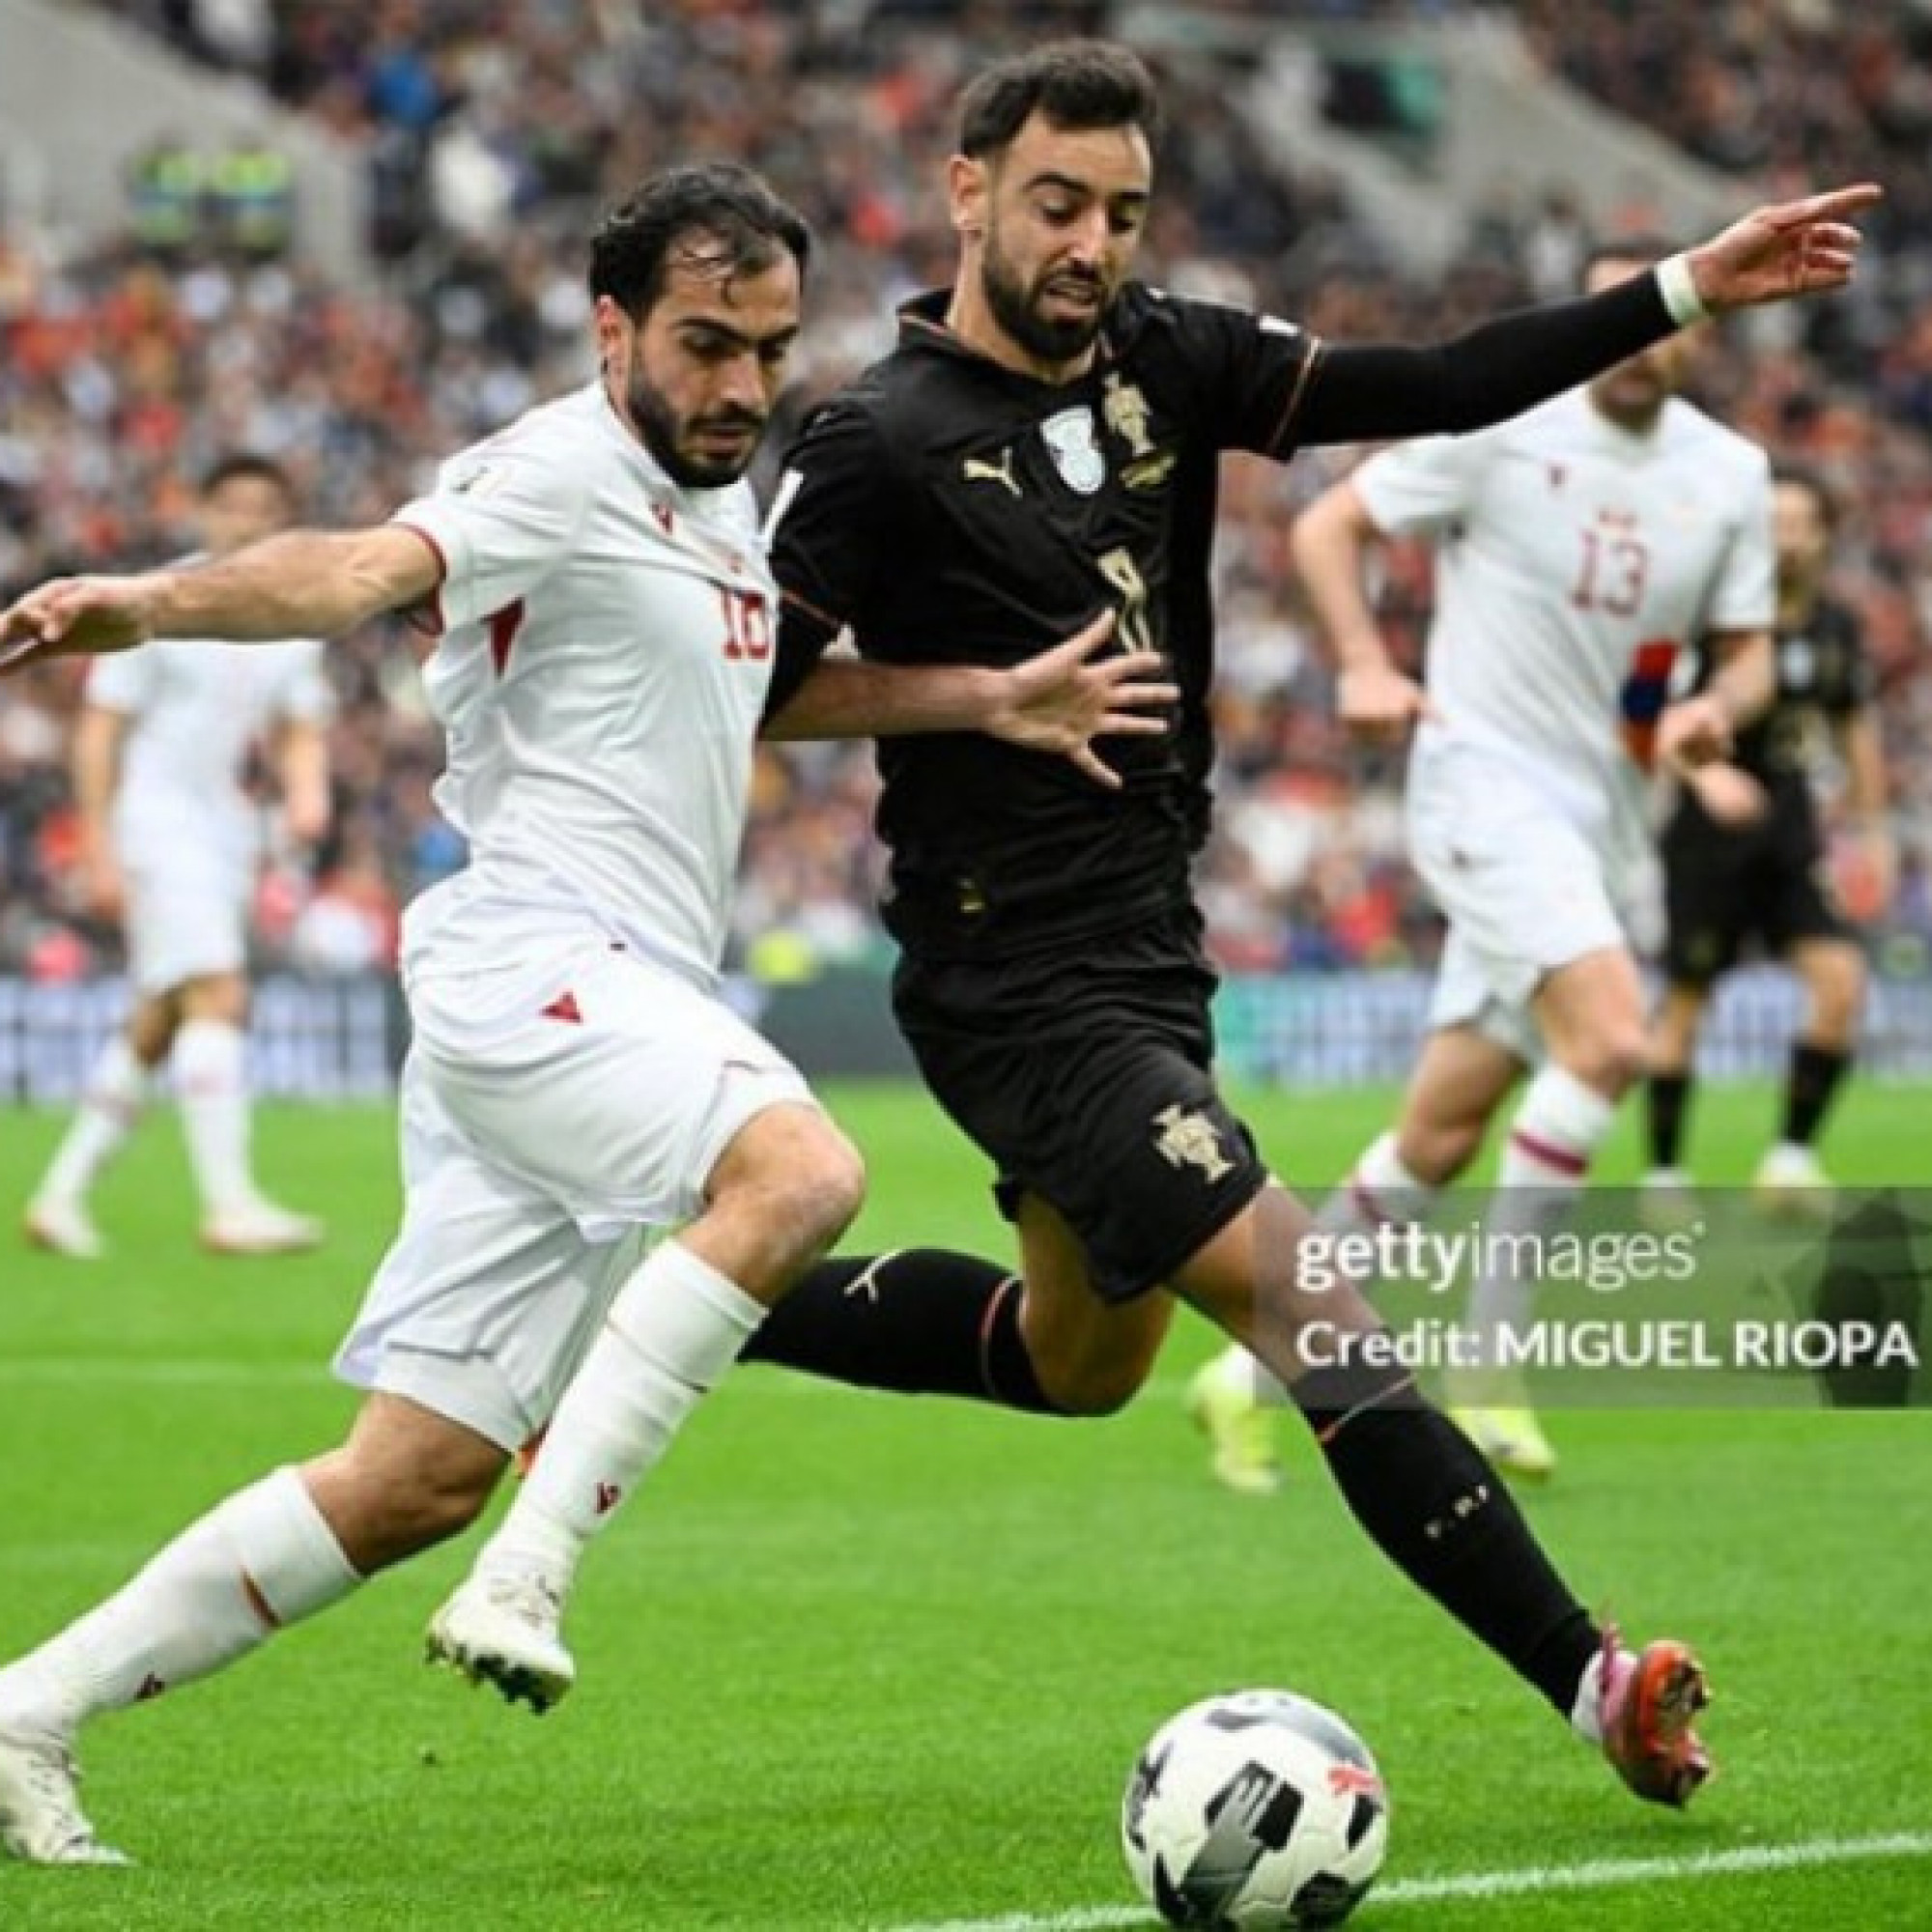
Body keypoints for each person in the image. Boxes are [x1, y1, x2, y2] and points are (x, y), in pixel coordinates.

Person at [456, 43, 1873, 1808]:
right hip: (1011, 978)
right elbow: (744, 695)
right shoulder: (873, 444)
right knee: (1317, 1310)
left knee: (1080, 1364)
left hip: (1146, 948)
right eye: (1059, 204)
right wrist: (987, 700)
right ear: (967, 192)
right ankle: (1592, 1677)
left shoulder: (1167, 359)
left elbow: (1432, 384)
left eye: (1122, 212)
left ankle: (683, 1290)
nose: (1093, 244)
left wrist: (1681, 286)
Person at [0, 161, 1163, 1867]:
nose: (742, 388)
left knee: (407, 1477)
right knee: (797, 1174)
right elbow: (358, 572)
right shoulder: (550, 469)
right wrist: (151, 600)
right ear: (613, 327)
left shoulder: (718, 504)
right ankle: (534, 1576)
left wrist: (985, 698)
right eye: (706, 344)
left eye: (769, 349)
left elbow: (766, 698)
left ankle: (25, 1715)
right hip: (536, 956)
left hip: (598, 998)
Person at [1189, 232, 1781, 1491]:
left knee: (1438, 1137)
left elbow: (1750, 653)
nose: (1640, 335)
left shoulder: (1729, 476)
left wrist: (1714, 708)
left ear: (1699, 326)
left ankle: (1243, 1367)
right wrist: (1360, 658)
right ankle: (1494, 1353)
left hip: (1609, 828)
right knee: (1612, 1041)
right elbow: (1326, 530)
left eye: (1663, 314)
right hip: (1483, 788)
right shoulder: (1507, 428)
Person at [24, 455, 331, 1262]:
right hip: (157, 823)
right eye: (231, 507)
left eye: (265, 508)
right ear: (202, 511)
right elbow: (100, 731)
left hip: (227, 831)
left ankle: (59, 1198)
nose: (248, 523)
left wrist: (308, 792)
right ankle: (230, 1205)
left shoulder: (293, 613)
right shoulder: (150, 603)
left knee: (159, 1021)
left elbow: (301, 726)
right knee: (219, 997)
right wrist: (97, 849)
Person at [1642, 465, 1892, 1218]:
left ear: (1822, 537)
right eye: (1771, 525)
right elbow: (1641, 705)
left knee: (1841, 982)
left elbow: (1854, 726)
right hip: (1703, 839)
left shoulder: (1836, 628)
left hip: (1792, 839)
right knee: (1686, 1004)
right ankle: (1664, 1180)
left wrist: (1874, 827)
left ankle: (1789, 1159)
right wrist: (1702, 777)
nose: (1784, 541)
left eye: (1799, 526)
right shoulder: (1707, 618)